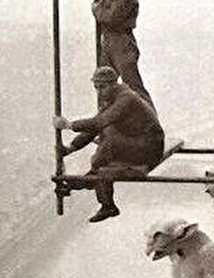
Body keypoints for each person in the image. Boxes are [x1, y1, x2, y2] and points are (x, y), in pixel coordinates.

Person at [54, 66, 164, 223]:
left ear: (113, 84)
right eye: (96, 88)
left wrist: (69, 125)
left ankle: (91, 186)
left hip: (149, 146)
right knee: (105, 152)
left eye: (102, 87)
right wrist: (71, 148)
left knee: (109, 140)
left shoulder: (126, 98)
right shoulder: (113, 99)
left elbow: (99, 123)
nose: (99, 92)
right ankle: (104, 201)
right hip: (137, 143)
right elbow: (94, 128)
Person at [79, 0, 155, 110]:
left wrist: (95, 8)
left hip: (122, 43)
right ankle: (105, 124)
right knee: (104, 84)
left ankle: (150, 122)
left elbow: (110, 18)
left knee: (133, 86)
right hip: (109, 42)